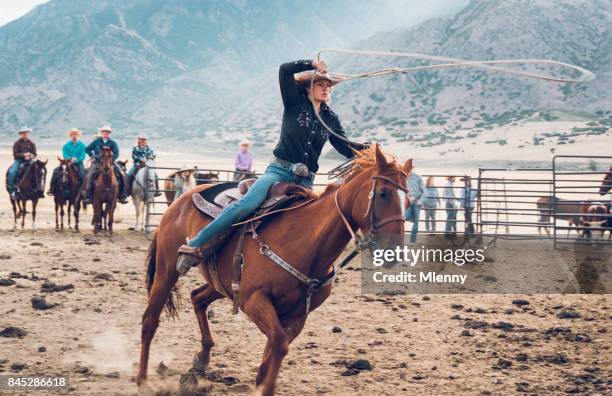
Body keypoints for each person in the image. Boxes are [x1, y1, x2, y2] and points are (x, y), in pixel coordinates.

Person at [176, 58, 366, 275]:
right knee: (247, 204)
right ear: (309, 87)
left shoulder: (330, 118)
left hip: (306, 181)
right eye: (321, 84)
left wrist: (370, 150)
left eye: (328, 86)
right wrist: (312, 63)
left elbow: (344, 145)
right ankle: (195, 244)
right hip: (279, 171)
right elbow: (284, 69)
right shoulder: (294, 102)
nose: (326, 89)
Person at [83, 125, 129, 204]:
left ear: (109, 133)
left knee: (122, 174)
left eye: (107, 132)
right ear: (102, 133)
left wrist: (111, 160)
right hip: (97, 162)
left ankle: (122, 195)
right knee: (89, 175)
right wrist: (92, 156)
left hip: (110, 162)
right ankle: (89, 196)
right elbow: (87, 149)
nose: (106, 134)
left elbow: (116, 153)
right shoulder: (96, 141)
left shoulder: (112, 142)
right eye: (104, 132)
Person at [48, 128, 86, 196]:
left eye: (75, 134)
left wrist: (76, 160)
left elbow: (83, 155)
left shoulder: (82, 145)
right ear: (70, 135)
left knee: (82, 174)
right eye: (73, 134)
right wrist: (70, 159)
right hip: (68, 163)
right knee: (56, 171)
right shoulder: (66, 145)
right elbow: (65, 154)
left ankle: (83, 190)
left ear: (78, 135)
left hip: (79, 163)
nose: (74, 136)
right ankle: (52, 189)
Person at [8, 127, 39, 199]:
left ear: (28, 133)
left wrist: (31, 155)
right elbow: (15, 154)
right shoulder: (17, 143)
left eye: (26, 132)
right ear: (20, 134)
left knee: (39, 171)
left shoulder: (32, 143)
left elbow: (35, 153)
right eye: (23, 133)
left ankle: (38, 189)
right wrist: (24, 155)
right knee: (12, 172)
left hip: (30, 161)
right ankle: (13, 190)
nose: (25, 134)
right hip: (19, 161)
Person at [405, 165, 425, 243]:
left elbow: (424, 191)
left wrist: (421, 200)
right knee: (403, 218)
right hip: (408, 203)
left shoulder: (418, 177)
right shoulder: (404, 176)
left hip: (417, 202)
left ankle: (412, 241)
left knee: (416, 222)